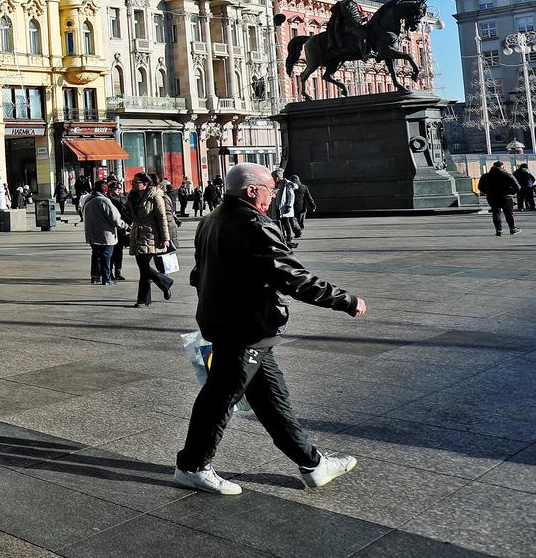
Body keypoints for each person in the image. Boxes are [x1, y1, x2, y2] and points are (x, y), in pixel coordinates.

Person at [174, 163, 365, 496]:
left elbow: (197, 274)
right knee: (219, 400)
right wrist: (346, 300)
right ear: (252, 191)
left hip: (231, 324)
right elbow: (293, 277)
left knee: (272, 403)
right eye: (270, 189)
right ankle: (192, 466)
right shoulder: (255, 224)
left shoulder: (209, 220)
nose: (273, 195)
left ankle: (313, 465)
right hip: (245, 328)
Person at [128, 173, 175, 307]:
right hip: (137, 234)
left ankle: (143, 300)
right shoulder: (132, 196)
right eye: (133, 182)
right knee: (143, 268)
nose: (133, 185)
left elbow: (162, 218)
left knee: (144, 268)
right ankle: (164, 282)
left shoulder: (155, 196)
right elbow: (131, 217)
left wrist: (166, 238)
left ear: (145, 183)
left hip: (151, 235)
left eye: (136, 182)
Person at [83, 180, 125, 286]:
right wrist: (125, 226)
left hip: (92, 233)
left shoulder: (87, 199)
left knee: (96, 255)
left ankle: (95, 276)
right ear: (104, 189)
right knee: (106, 255)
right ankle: (106, 278)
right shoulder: (104, 201)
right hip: (105, 234)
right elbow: (115, 219)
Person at [477, 161, 521, 237]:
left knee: (496, 213)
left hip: (492, 197)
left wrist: (488, 192)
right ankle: (512, 229)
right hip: (506, 197)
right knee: (509, 213)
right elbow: (518, 187)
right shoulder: (508, 175)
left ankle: (499, 230)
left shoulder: (485, 176)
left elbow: (480, 187)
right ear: (502, 167)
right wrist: (510, 192)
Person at [272, 170, 299, 246]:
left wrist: (289, 205)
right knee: (280, 224)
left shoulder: (286, 183)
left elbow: (291, 195)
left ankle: (289, 238)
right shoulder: (277, 184)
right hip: (279, 208)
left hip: (285, 207)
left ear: (278, 177)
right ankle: (283, 238)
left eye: (274, 177)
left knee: (286, 223)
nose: (273, 178)